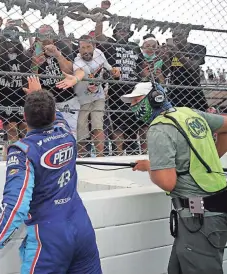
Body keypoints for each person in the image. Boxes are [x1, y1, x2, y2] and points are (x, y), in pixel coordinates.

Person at [0, 76, 102, 274]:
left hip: (49, 237)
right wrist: (39, 94)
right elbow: (55, 116)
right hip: (82, 226)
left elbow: (16, 204)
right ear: (52, 114)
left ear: (24, 118)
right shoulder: (67, 134)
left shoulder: (23, 151)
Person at [121, 81, 227, 274]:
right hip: (210, 211)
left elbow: (167, 181)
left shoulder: (159, 128)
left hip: (199, 217)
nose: (133, 106)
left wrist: (150, 167)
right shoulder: (189, 113)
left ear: (155, 99)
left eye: (137, 100)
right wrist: (210, 159)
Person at [56, 34, 117, 157]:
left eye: (88, 47)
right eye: (82, 47)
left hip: (98, 96)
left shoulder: (99, 54)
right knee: (81, 129)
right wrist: (74, 79)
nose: (85, 51)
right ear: (78, 49)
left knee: (97, 125)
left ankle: (100, 157)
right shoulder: (78, 61)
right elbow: (80, 72)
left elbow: (109, 68)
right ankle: (82, 157)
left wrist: (114, 71)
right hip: (82, 100)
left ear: (94, 46)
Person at [94, 18, 145, 156]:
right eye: (119, 30)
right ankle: (119, 153)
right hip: (117, 88)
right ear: (115, 33)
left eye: (125, 30)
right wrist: (100, 18)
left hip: (135, 88)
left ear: (129, 33)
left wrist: (145, 80)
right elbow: (98, 36)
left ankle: (140, 153)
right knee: (118, 123)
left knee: (137, 122)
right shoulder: (111, 44)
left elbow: (141, 66)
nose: (122, 32)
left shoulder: (135, 47)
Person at [0, 24, 31, 142]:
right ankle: (14, 153)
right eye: (8, 41)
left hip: (21, 96)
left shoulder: (23, 57)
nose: (11, 44)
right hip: (5, 96)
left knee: (24, 127)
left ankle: (26, 152)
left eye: (14, 41)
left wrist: (28, 32)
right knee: (12, 127)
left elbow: (34, 50)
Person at [165, 27, 208, 111]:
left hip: (193, 91)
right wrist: (165, 57)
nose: (175, 38)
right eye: (173, 35)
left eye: (179, 35)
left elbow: (192, 66)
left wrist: (176, 51)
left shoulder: (198, 48)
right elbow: (167, 71)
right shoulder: (172, 51)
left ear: (187, 35)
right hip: (175, 91)